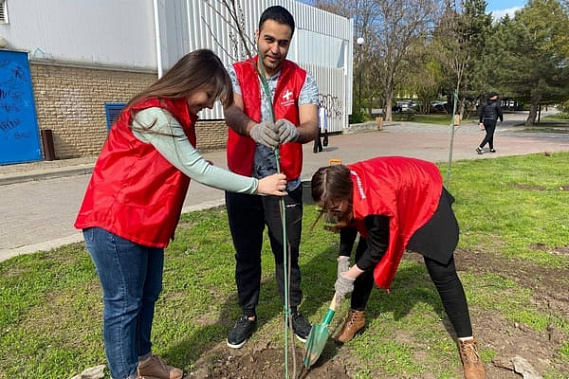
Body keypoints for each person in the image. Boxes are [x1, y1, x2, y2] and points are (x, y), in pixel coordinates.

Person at [74, 49, 287, 379]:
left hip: (145, 224)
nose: (209, 104)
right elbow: (195, 166)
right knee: (123, 305)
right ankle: (125, 374)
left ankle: (144, 361)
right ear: (192, 80)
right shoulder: (154, 114)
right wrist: (258, 186)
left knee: (147, 295)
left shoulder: (174, 116)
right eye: (208, 95)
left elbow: (174, 163)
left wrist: (191, 170)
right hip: (116, 222)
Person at [310, 156, 486, 379]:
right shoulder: (343, 186)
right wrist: (342, 260)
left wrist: (350, 275)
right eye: (325, 209)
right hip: (391, 194)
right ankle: (357, 316)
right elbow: (348, 220)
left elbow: (378, 247)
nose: (330, 213)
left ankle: (468, 344)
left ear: (347, 193)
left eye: (333, 207)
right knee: (361, 258)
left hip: (423, 193)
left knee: (441, 270)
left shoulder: (373, 199)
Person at [223, 5, 319, 349]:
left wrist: (296, 131)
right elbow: (231, 111)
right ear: (257, 36)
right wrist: (251, 127)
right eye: (269, 40)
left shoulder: (302, 78)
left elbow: (311, 125)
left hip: (284, 184)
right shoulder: (236, 73)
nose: (274, 50)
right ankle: (248, 313)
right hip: (243, 183)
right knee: (246, 253)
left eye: (283, 43)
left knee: (287, 252)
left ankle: (293, 311)